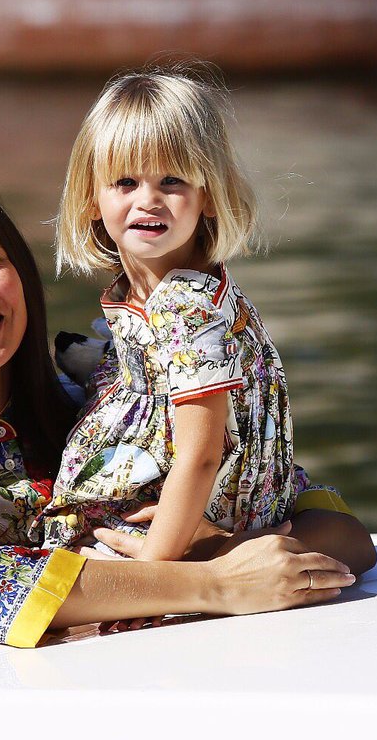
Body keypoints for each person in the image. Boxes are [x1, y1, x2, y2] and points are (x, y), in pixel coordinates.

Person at [0, 156, 370, 649]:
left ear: (21, 270)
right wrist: (215, 581)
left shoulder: (105, 404)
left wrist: (224, 544)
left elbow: (340, 533)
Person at [48, 62, 338, 562]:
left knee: (59, 552)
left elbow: (201, 456)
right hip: (241, 486)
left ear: (208, 196)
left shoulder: (186, 309)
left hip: (201, 510)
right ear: (91, 198)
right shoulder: (177, 288)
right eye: (124, 182)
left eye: (172, 181)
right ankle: (108, 367)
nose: (149, 200)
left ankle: (216, 552)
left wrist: (153, 571)